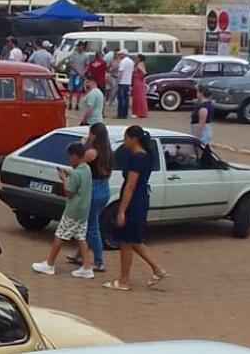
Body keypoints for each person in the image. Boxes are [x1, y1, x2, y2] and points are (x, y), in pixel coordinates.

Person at [104, 125, 168, 291]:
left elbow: (130, 185)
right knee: (133, 240)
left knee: (127, 240)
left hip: (134, 200)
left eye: (126, 138)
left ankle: (124, 280)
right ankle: (157, 269)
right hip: (140, 199)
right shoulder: (145, 157)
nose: (124, 142)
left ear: (134, 139)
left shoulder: (137, 159)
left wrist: (121, 210)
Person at [32, 142, 96, 279]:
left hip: (73, 210)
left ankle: (49, 264)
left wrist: (64, 179)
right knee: (80, 236)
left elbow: (69, 192)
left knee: (60, 234)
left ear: (74, 156)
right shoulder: (87, 169)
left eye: (70, 157)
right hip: (84, 210)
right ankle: (87, 266)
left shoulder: (75, 174)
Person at [70, 123, 113, 273]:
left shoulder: (93, 152)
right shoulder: (108, 152)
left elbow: (78, 163)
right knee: (88, 223)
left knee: (92, 226)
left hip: (94, 189)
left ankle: (99, 261)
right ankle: (79, 253)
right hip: (104, 188)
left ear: (94, 135)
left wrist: (83, 144)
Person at [66, 42, 89, 110]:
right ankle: (70, 103)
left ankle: (77, 104)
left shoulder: (85, 55)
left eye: (81, 47)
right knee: (70, 89)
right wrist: (77, 71)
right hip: (73, 74)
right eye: (79, 46)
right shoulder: (74, 54)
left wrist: (83, 72)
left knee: (79, 90)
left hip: (80, 75)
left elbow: (87, 65)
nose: (80, 48)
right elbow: (70, 63)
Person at [115, 50, 135, 119]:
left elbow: (120, 72)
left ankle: (120, 114)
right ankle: (125, 114)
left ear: (123, 55)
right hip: (128, 82)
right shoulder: (131, 62)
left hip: (122, 82)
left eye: (120, 54)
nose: (119, 56)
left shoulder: (122, 62)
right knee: (126, 99)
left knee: (121, 99)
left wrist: (117, 80)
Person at [131, 54, 149, 119]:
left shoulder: (139, 64)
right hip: (138, 81)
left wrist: (140, 77)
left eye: (137, 58)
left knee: (138, 97)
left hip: (138, 81)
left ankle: (137, 112)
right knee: (139, 97)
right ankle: (141, 112)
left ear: (140, 58)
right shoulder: (140, 63)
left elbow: (144, 73)